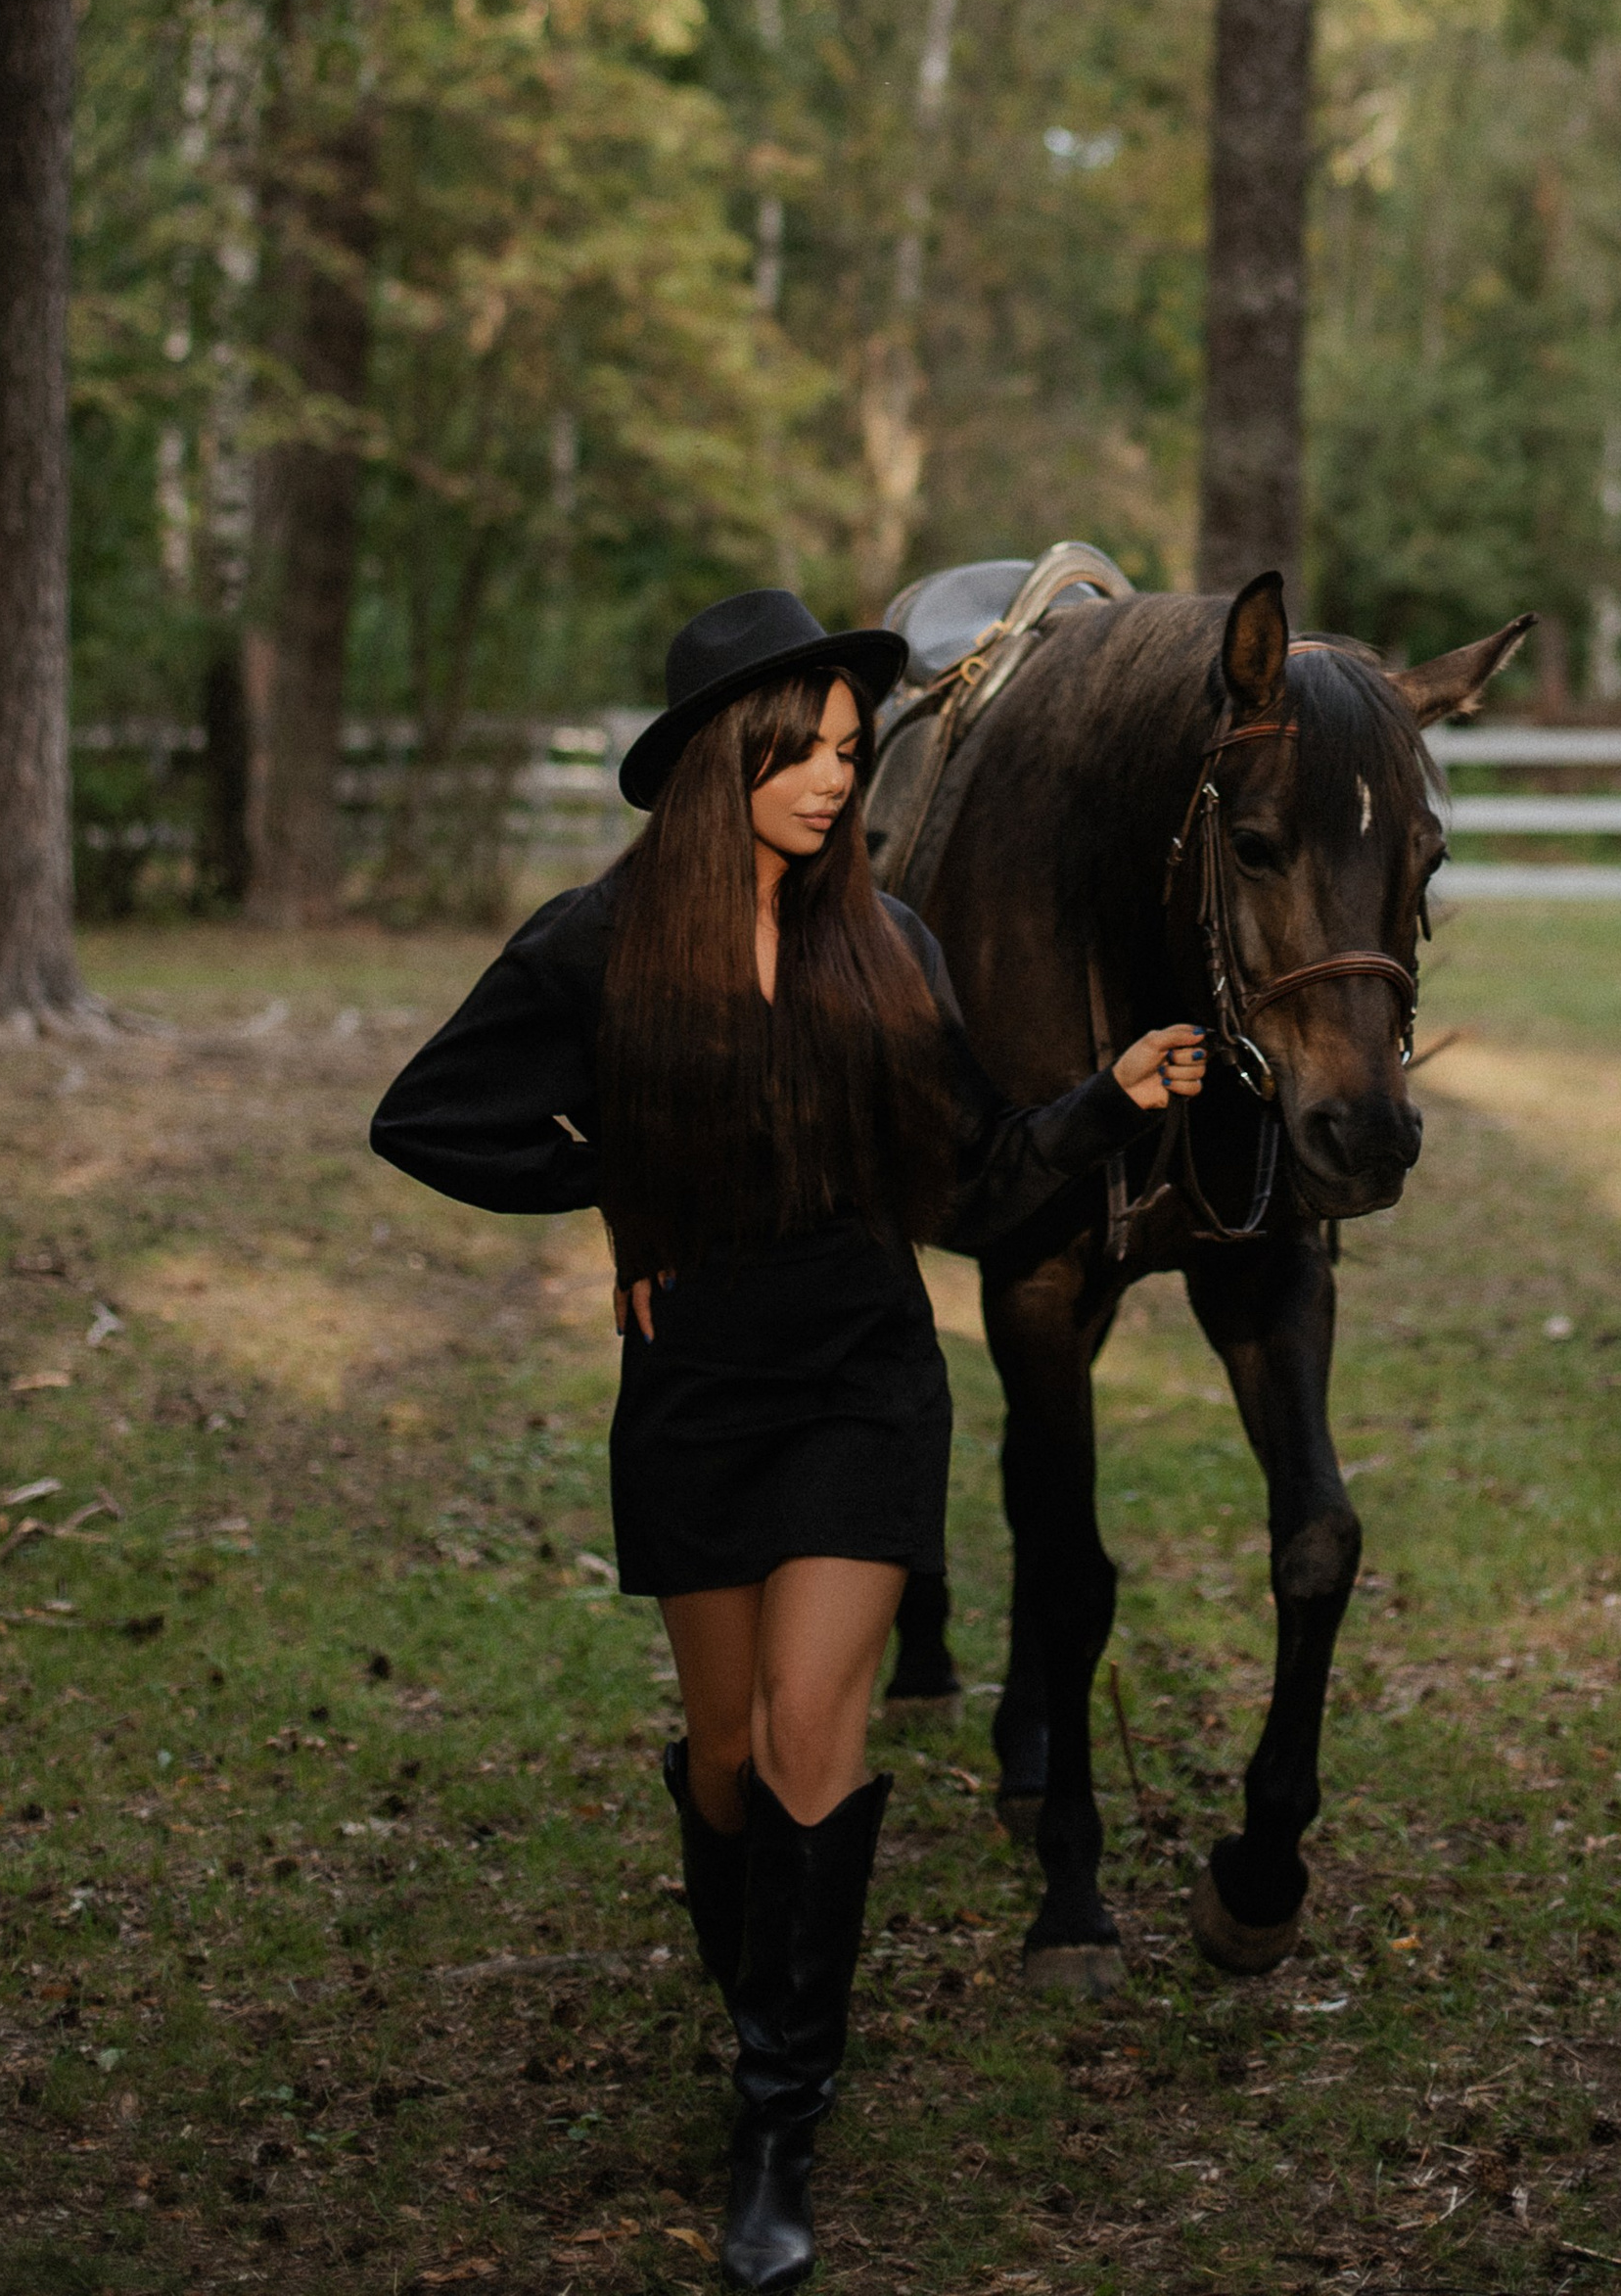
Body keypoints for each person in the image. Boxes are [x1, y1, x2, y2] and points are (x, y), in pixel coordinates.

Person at [368, 588, 1205, 2293]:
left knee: (813, 1731)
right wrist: (633, 1179)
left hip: (862, 1378)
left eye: (848, 750)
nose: (839, 779)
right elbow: (428, 1118)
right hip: (693, 1396)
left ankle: (776, 2125)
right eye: (805, 751)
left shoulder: (893, 943)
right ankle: (762, 2002)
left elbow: (972, 1177)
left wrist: (1105, 1101)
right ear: (718, 762)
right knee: (730, 1760)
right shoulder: (594, 944)